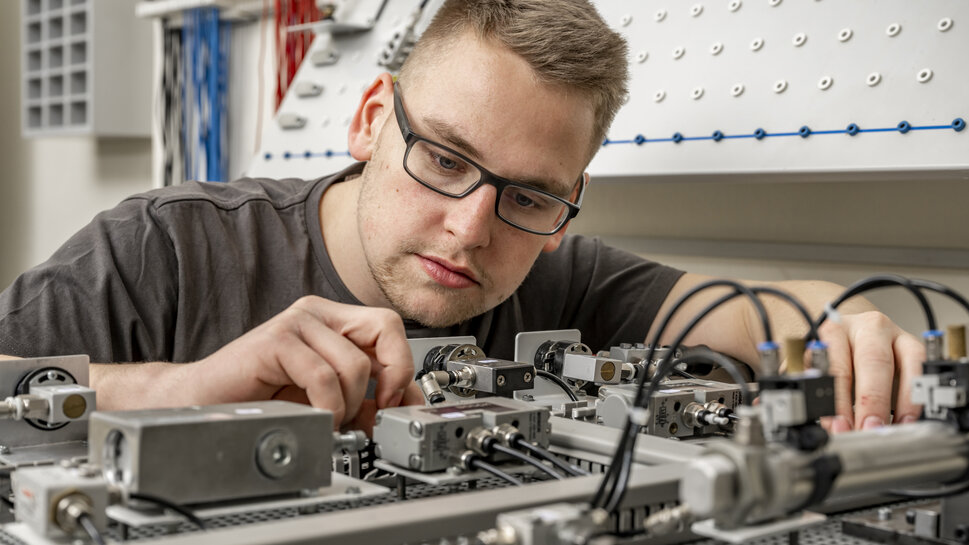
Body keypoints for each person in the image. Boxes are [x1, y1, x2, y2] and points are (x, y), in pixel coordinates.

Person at [0, 0, 922, 434]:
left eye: (525, 195)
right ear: (370, 122)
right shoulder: (165, 246)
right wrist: (187, 389)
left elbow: (759, 311)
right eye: (442, 158)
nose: (470, 227)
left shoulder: (563, 276)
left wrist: (844, 323)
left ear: (565, 209)